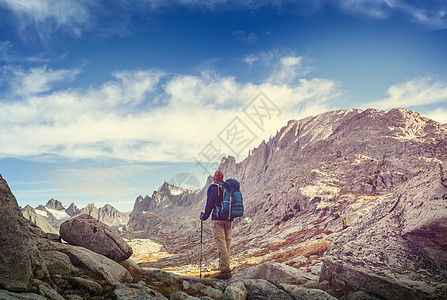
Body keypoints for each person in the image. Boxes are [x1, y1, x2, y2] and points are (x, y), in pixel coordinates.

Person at [200, 170, 233, 279]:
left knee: (221, 245)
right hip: (229, 220)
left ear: (214, 178)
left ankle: (225, 271)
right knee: (227, 245)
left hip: (217, 220)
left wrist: (204, 217)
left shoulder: (212, 188)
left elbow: (209, 205)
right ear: (222, 178)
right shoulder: (228, 188)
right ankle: (226, 268)